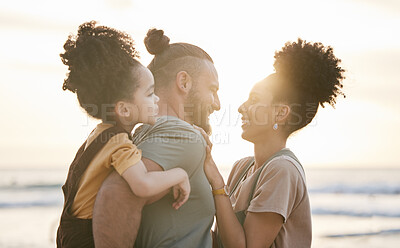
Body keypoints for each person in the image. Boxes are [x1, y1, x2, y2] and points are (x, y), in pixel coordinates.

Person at [197, 38, 345, 248]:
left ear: (281, 112)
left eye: (254, 100)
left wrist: (216, 182)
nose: (241, 107)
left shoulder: (282, 170)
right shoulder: (242, 168)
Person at [56, 22, 191, 248]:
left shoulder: (100, 134)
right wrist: (180, 174)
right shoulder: (119, 143)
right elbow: (143, 184)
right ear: (125, 109)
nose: (156, 99)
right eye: (149, 94)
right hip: (88, 238)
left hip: (67, 234)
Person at [92, 28, 221, 248]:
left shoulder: (136, 135)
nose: (217, 104)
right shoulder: (182, 136)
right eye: (212, 89)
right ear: (184, 82)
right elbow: (116, 195)